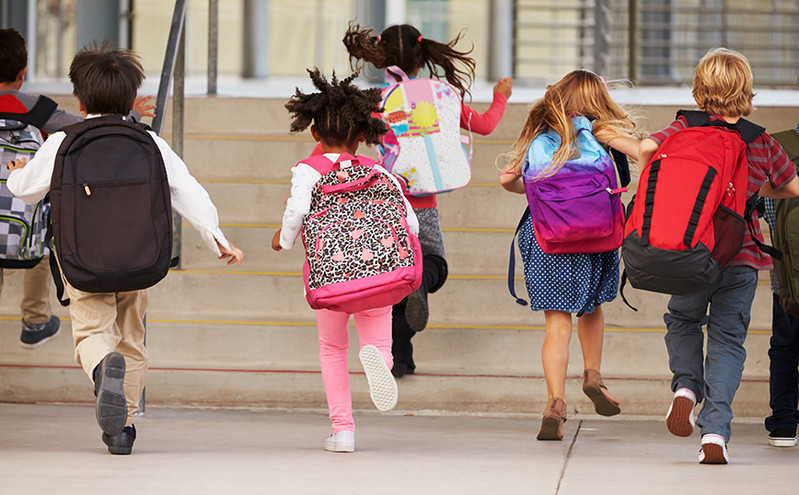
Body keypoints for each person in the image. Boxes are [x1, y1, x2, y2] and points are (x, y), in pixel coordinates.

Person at [6, 42, 242, 455]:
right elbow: (187, 190)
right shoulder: (149, 141)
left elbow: (26, 191)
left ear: (79, 101)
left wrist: (16, 173)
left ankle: (102, 366)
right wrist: (216, 236)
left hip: (82, 260)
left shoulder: (62, 141)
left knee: (92, 332)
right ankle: (123, 428)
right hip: (138, 258)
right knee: (131, 337)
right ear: (133, 100)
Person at [638, 47, 799, 464]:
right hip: (741, 257)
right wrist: (757, 189)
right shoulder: (760, 140)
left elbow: (645, 150)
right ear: (746, 90)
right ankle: (715, 433)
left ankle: (686, 387)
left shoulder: (683, 127)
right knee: (727, 341)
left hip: (692, 253)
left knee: (683, 321)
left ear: (700, 89)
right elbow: (792, 186)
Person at [343, 21, 513, 377]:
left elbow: (345, 139)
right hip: (424, 205)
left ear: (380, 56)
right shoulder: (440, 95)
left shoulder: (375, 101)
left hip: (386, 203)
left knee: (392, 278)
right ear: (421, 58)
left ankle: (399, 359)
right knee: (433, 264)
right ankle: (422, 283)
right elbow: (484, 125)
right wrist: (501, 96)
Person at [271, 68, 419, 453]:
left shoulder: (309, 169)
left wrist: (283, 241)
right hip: (378, 275)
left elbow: (297, 210)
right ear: (362, 135)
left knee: (332, 349)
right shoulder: (378, 171)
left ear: (314, 134)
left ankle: (343, 431)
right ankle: (381, 361)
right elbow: (411, 224)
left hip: (331, 277)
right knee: (378, 340)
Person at [498, 70, 639, 440]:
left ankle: (555, 403)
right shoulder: (601, 132)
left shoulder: (541, 133)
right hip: (596, 235)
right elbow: (643, 154)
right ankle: (593, 376)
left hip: (548, 238)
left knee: (557, 325)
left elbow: (507, 179)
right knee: (591, 308)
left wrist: (535, 189)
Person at [0, 28, 154, 350]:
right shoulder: (35, 108)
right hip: (24, 214)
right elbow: (92, 127)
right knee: (44, 232)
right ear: (22, 72)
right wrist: (133, 115)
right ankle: (35, 320)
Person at [763, 116, 799, 448]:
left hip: (787, 275)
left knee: (785, 345)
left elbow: (756, 206)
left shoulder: (775, 147)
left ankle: (784, 424)